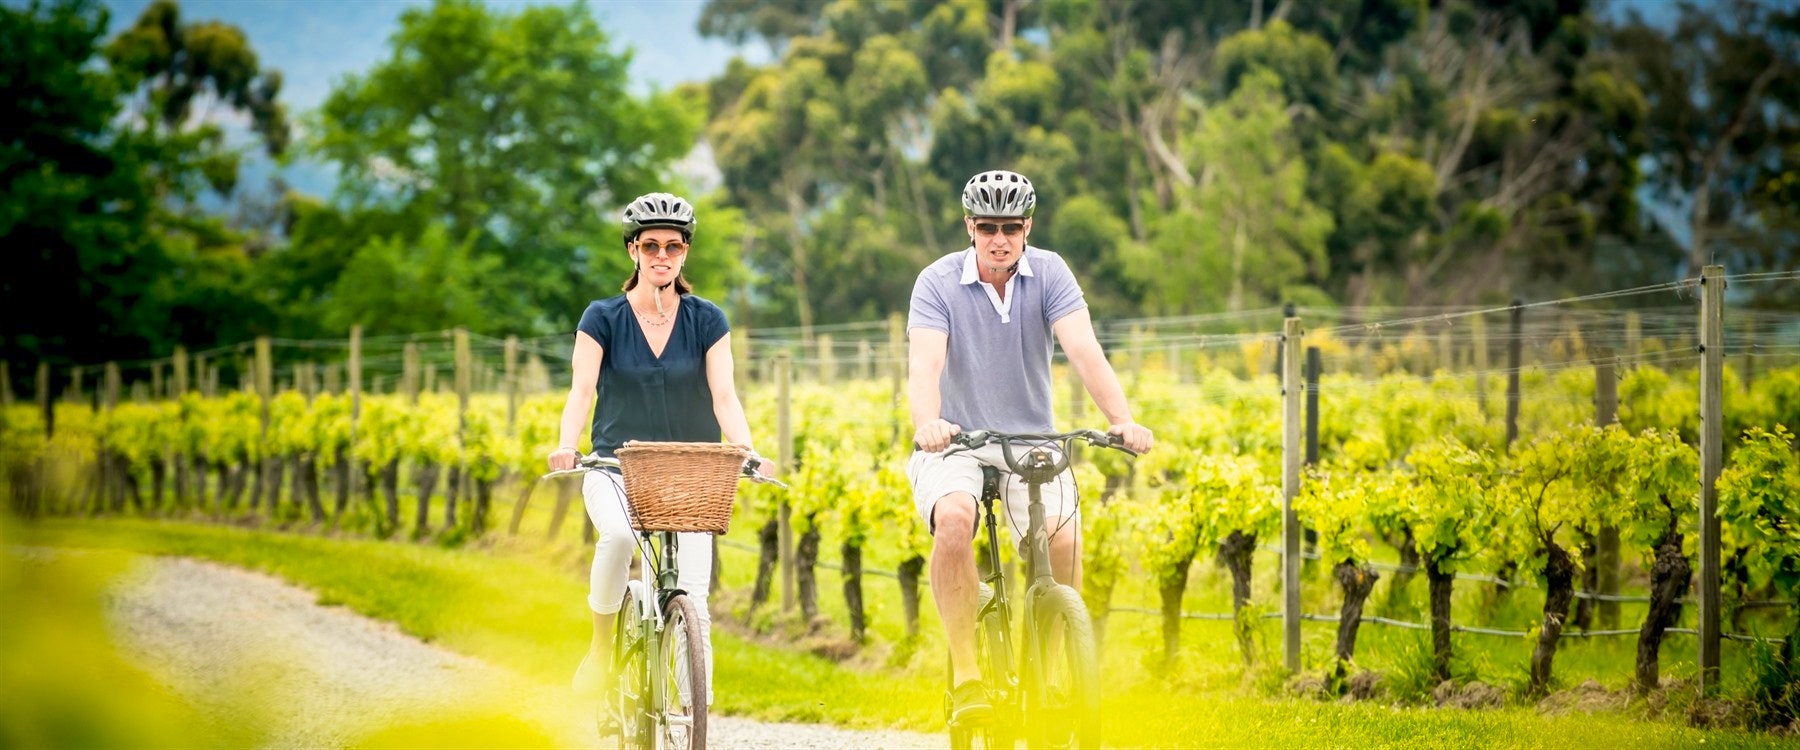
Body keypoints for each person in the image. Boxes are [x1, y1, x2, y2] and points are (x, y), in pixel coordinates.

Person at [906, 169, 1155, 724]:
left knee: (1064, 542)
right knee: (954, 521)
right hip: (957, 442)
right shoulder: (936, 282)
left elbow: (1083, 349)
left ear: (1028, 228)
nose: (1000, 240)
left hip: (1031, 439)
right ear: (969, 227)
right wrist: (929, 423)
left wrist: (1121, 420)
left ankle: (1051, 674)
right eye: (988, 227)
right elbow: (925, 364)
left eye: (1011, 228)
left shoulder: (1051, 273)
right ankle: (968, 678)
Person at [548, 192, 770, 715]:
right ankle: (601, 649)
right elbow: (581, 390)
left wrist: (747, 450)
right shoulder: (601, 317)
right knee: (619, 536)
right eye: (651, 246)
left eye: (673, 246)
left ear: (685, 251)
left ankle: (693, 718)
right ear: (633, 251)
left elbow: (724, 396)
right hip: (614, 467)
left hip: (690, 475)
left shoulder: (708, 319)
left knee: (694, 598)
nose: (662, 255)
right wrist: (566, 445)